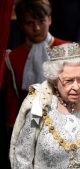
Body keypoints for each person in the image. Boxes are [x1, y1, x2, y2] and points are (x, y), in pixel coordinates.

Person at [1, 0, 66, 130]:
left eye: (41, 21)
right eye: (30, 23)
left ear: (49, 19)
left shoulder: (67, 50)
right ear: (20, 25)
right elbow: (11, 102)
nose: (36, 28)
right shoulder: (13, 58)